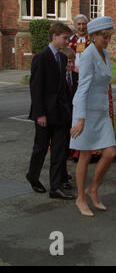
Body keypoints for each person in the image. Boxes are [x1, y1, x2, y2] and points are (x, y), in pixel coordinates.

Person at [70, 16, 116, 217]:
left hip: (102, 112)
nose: (107, 41)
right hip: (86, 112)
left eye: (109, 37)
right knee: (85, 155)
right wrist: (80, 118)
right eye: (104, 37)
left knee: (110, 153)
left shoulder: (104, 52)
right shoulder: (88, 54)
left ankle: (93, 189)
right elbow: (82, 87)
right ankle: (80, 198)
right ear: (94, 36)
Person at [25, 22, 75, 200]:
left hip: (60, 113)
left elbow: (62, 89)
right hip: (44, 114)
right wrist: (40, 114)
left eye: (67, 38)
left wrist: (68, 111)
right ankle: (33, 175)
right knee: (40, 148)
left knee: (60, 149)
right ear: (54, 36)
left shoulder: (62, 58)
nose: (66, 42)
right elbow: (36, 88)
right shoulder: (41, 57)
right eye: (64, 38)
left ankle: (55, 188)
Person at [68, 14, 114, 163]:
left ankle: (92, 152)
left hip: (96, 97)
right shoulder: (72, 43)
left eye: (83, 24)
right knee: (84, 151)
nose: (81, 27)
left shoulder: (98, 48)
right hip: (76, 81)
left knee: (106, 152)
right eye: (78, 24)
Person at [60, 47, 79, 190]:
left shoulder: (75, 76)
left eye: (72, 62)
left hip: (72, 117)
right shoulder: (58, 77)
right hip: (61, 118)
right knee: (60, 149)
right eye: (68, 62)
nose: (70, 65)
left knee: (67, 148)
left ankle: (64, 173)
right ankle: (61, 177)